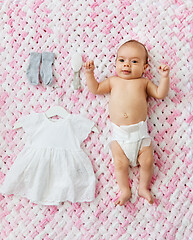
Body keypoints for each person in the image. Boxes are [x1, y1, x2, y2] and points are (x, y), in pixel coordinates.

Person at [83, 40, 170, 206]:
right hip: (120, 135)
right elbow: (95, 89)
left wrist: (164, 78)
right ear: (115, 62)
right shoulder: (113, 81)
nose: (127, 65)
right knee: (120, 164)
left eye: (134, 61)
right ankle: (125, 190)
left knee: (147, 161)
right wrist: (89, 74)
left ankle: (143, 187)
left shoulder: (143, 83)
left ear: (145, 68)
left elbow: (160, 94)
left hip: (140, 134)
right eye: (122, 60)